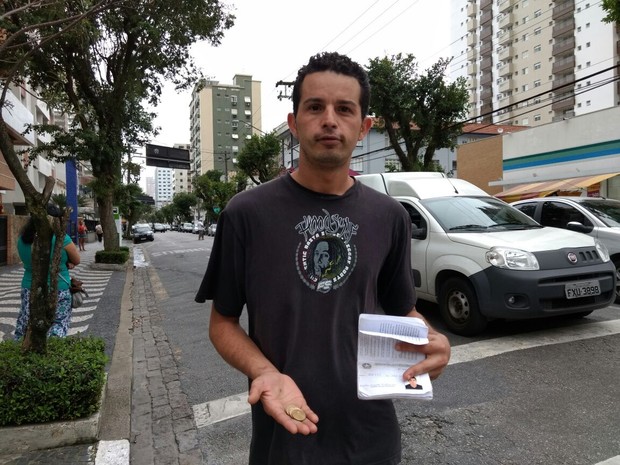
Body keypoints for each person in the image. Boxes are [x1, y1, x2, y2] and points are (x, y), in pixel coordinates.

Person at [195, 52, 451, 464]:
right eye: (315, 107)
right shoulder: (245, 213)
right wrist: (265, 372)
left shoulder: (389, 217)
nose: (329, 119)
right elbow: (222, 323)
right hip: (285, 434)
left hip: (372, 440)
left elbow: (404, 310)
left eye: (344, 109)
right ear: (294, 123)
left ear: (364, 127)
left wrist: (430, 341)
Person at [14, 217, 81, 339]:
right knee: (58, 323)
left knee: (26, 322)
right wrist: (66, 262)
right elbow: (77, 260)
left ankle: (22, 349)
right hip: (59, 288)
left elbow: (29, 261)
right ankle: (52, 350)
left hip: (29, 287)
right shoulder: (61, 239)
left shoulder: (22, 240)